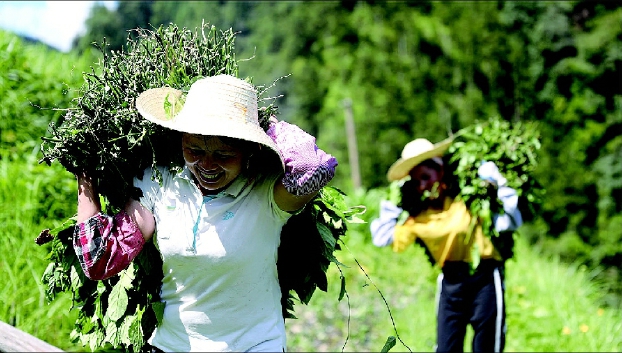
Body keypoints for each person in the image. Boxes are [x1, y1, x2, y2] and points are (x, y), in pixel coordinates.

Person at [73, 74, 338, 352]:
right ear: (180, 140)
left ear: (250, 150)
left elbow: (314, 167)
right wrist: (84, 174)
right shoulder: (159, 183)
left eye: (224, 155)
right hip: (171, 346)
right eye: (194, 150)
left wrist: (261, 124)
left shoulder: (267, 191)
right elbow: (99, 259)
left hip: (256, 346)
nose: (208, 165)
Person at [370, 137, 523, 353]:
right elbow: (381, 237)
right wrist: (393, 203)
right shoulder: (418, 217)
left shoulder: (468, 198)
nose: (423, 185)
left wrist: (497, 183)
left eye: (425, 176)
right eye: (416, 181)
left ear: (440, 170)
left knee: (488, 347)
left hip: (485, 279)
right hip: (451, 282)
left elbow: (512, 221)